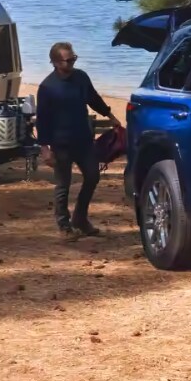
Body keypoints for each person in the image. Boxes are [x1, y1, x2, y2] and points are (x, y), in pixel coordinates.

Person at [35, 41, 121, 241]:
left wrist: (110, 116)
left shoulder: (81, 77)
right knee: (63, 184)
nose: (72, 62)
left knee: (93, 177)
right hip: (61, 143)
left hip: (83, 139)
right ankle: (64, 225)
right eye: (68, 60)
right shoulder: (47, 87)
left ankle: (80, 219)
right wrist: (45, 148)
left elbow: (93, 98)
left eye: (74, 58)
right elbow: (42, 118)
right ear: (55, 62)